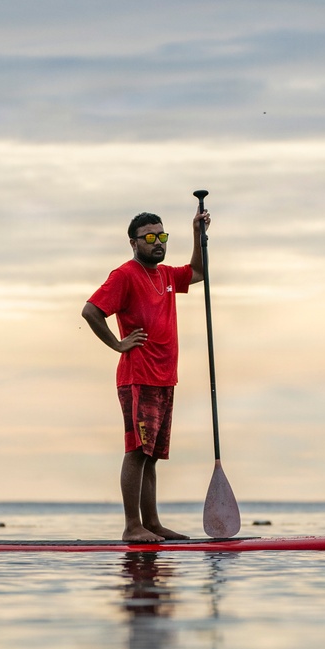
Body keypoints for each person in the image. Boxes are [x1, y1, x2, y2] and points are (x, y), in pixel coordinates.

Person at [82, 206, 209, 542]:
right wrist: (117, 344)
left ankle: (151, 524)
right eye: (149, 237)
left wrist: (197, 233)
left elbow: (198, 271)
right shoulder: (124, 275)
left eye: (161, 236)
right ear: (133, 242)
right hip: (138, 377)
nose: (157, 242)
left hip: (165, 378)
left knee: (151, 456)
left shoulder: (166, 275)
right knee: (137, 450)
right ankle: (131, 526)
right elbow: (91, 310)